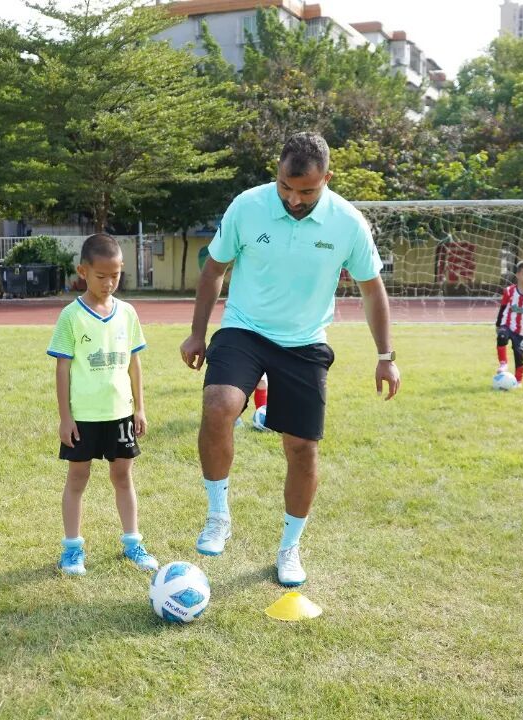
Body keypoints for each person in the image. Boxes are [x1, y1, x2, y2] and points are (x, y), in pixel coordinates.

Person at [179, 132, 399, 587]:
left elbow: (372, 289)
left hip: (304, 340)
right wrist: (197, 333)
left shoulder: (348, 223)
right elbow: (214, 269)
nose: (294, 199)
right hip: (244, 328)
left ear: (327, 180)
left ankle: (289, 547)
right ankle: (219, 515)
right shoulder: (246, 206)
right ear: (276, 175)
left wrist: (385, 356)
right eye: (286, 187)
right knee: (219, 405)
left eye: (307, 191)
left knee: (302, 448)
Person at [47, 233, 158, 576]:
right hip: (84, 417)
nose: (109, 283)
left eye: (116, 275)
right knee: (78, 478)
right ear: (83, 271)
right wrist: (65, 418)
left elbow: (134, 363)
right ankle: (72, 549)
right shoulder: (71, 316)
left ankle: (132, 543)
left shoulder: (127, 313)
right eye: (101, 276)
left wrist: (139, 408)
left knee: (123, 476)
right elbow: (62, 368)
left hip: (120, 413)